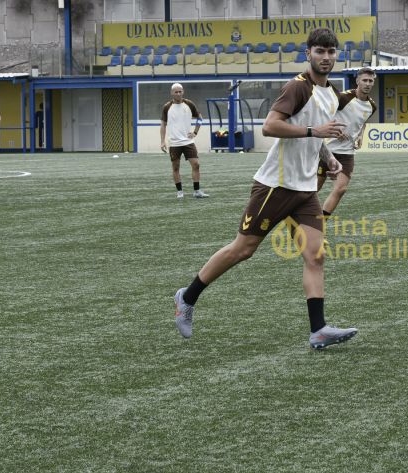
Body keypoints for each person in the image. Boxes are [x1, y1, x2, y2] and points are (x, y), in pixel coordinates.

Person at [172, 28, 358, 350]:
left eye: (331, 52)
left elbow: (315, 137)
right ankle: (187, 298)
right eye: (319, 51)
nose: (326, 57)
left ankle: (318, 330)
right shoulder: (298, 87)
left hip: (304, 191)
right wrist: (316, 131)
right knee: (243, 250)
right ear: (308, 53)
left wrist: (328, 158)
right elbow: (270, 126)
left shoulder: (331, 93)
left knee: (315, 255)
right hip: (275, 186)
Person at [317, 67, 377, 217]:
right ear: (357, 81)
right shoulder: (343, 98)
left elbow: (362, 122)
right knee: (313, 189)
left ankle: (320, 225)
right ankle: (300, 218)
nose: (368, 84)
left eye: (371, 81)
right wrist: (334, 127)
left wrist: (361, 135)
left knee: (341, 189)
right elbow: (322, 113)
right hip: (327, 150)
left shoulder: (372, 106)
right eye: (364, 80)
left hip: (347, 153)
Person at [160, 83, 209, 199]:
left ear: (183, 92)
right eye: (176, 92)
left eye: (180, 91)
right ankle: (180, 192)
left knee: (196, 164)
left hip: (188, 142)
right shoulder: (167, 107)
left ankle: (197, 191)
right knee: (176, 168)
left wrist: (195, 132)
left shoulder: (189, 104)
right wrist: (162, 141)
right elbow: (163, 125)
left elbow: (200, 118)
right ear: (172, 93)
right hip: (174, 143)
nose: (178, 94)